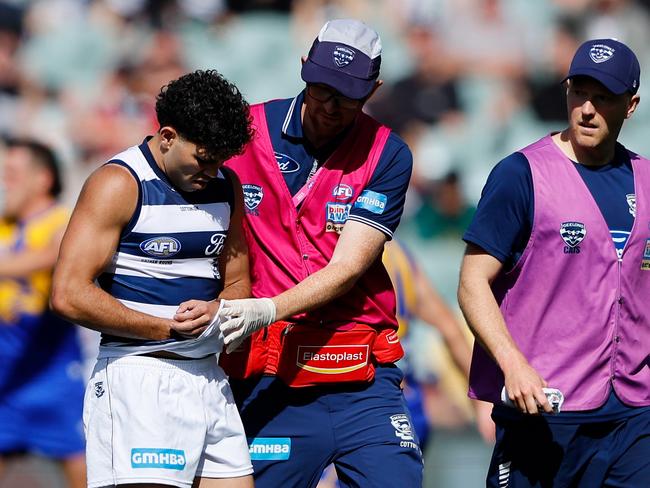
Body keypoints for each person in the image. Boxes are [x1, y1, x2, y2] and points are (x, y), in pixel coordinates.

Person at [216, 19, 424, 487]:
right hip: (267, 372)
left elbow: (349, 266)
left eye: (348, 94)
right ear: (303, 69)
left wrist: (265, 308)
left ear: (374, 89)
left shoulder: (387, 153)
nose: (331, 105)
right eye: (322, 88)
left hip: (361, 373)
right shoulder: (244, 130)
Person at [457, 38, 650, 487]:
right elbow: (471, 282)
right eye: (579, 92)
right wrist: (512, 363)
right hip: (546, 409)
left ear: (631, 104)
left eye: (603, 97)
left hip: (635, 416)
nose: (587, 108)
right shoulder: (520, 174)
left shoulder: (647, 179)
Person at [50, 70, 255, 488]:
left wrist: (220, 311)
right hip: (138, 377)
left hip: (209, 379)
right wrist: (166, 329)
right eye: (202, 158)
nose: (211, 170)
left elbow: (237, 283)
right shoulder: (118, 183)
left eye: (220, 161)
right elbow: (68, 295)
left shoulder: (225, 185)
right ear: (166, 136)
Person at [0, 138, 86, 488]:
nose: (4, 181)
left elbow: (53, 256)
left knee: (79, 463)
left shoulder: (63, 221)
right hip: (6, 372)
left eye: (12, 173)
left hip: (51, 370)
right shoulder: (5, 223)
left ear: (43, 179)